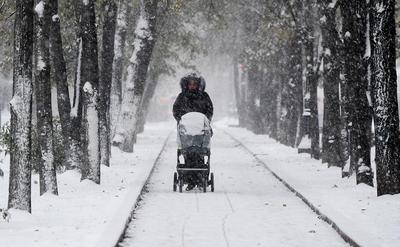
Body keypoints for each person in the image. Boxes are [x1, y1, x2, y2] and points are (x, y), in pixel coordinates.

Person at [173, 73, 213, 191]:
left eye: (195, 84)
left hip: (200, 130)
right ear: (186, 85)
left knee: (200, 155)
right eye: (190, 84)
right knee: (188, 155)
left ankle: (200, 179)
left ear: (199, 85)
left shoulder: (204, 96)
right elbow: (176, 110)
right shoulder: (182, 97)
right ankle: (190, 180)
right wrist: (181, 120)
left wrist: (206, 120)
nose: (192, 86)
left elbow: (210, 109)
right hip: (187, 130)